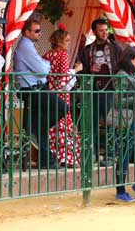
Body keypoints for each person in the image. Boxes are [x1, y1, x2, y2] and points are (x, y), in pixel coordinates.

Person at [14, 14, 68, 169]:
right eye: (37, 31)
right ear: (27, 32)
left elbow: (43, 67)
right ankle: (36, 129)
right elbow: (43, 70)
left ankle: (46, 160)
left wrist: (44, 65)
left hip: (35, 88)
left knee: (43, 122)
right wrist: (45, 66)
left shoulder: (28, 46)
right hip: (33, 89)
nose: (40, 33)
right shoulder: (25, 46)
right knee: (62, 107)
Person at [80, 18, 122, 165]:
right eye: (101, 30)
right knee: (92, 124)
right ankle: (92, 154)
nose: (104, 33)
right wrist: (89, 69)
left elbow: (123, 66)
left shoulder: (115, 48)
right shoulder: (87, 50)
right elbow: (81, 70)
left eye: (106, 30)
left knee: (111, 123)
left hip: (111, 89)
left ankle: (110, 156)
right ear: (94, 32)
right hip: (93, 90)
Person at [110, 47, 135, 202]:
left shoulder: (131, 75)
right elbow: (118, 101)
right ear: (130, 59)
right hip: (127, 120)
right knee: (125, 155)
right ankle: (120, 190)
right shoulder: (121, 76)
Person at [42, 25, 83, 167]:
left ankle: (54, 155)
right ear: (59, 42)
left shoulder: (47, 54)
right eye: (67, 40)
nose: (69, 43)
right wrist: (76, 70)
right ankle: (67, 157)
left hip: (50, 91)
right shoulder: (63, 55)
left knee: (53, 125)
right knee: (64, 125)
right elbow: (64, 77)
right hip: (61, 94)